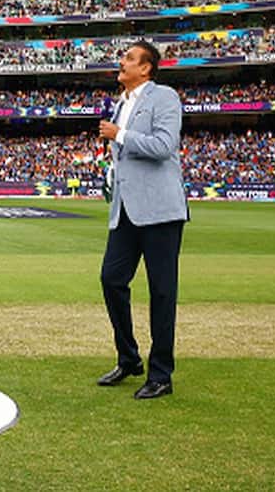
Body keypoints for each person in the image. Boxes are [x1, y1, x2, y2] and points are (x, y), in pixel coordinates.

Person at [97, 40, 189, 399]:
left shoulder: (164, 97)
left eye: (130, 58)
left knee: (162, 291)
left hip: (161, 211)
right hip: (126, 210)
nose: (122, 62)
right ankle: (129, 358)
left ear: (147, 68)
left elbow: (165, 146)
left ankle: (161, 374)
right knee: (111, 279)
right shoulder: (121, 103)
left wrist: (119, 134)